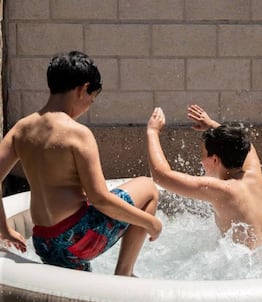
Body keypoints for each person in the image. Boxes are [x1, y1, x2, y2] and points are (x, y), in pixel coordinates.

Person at [0, 51, 162, 276]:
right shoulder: (77, 134)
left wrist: (4, 229)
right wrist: (151, 223)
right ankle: (124, 273)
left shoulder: (21, 129)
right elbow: (100, 198)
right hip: (78, 239)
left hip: (44, 243)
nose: (87, 106)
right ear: (82, 89)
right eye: (91, 99)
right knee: (148, 187)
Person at [147, 104, 262, 249]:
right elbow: (245, 145)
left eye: (203, 155)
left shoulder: (223, 190)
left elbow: (162, 176)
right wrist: (212, 125)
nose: (201, 161)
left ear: (214, 160)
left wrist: (152, 131)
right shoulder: (253, 174)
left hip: (254, 266)